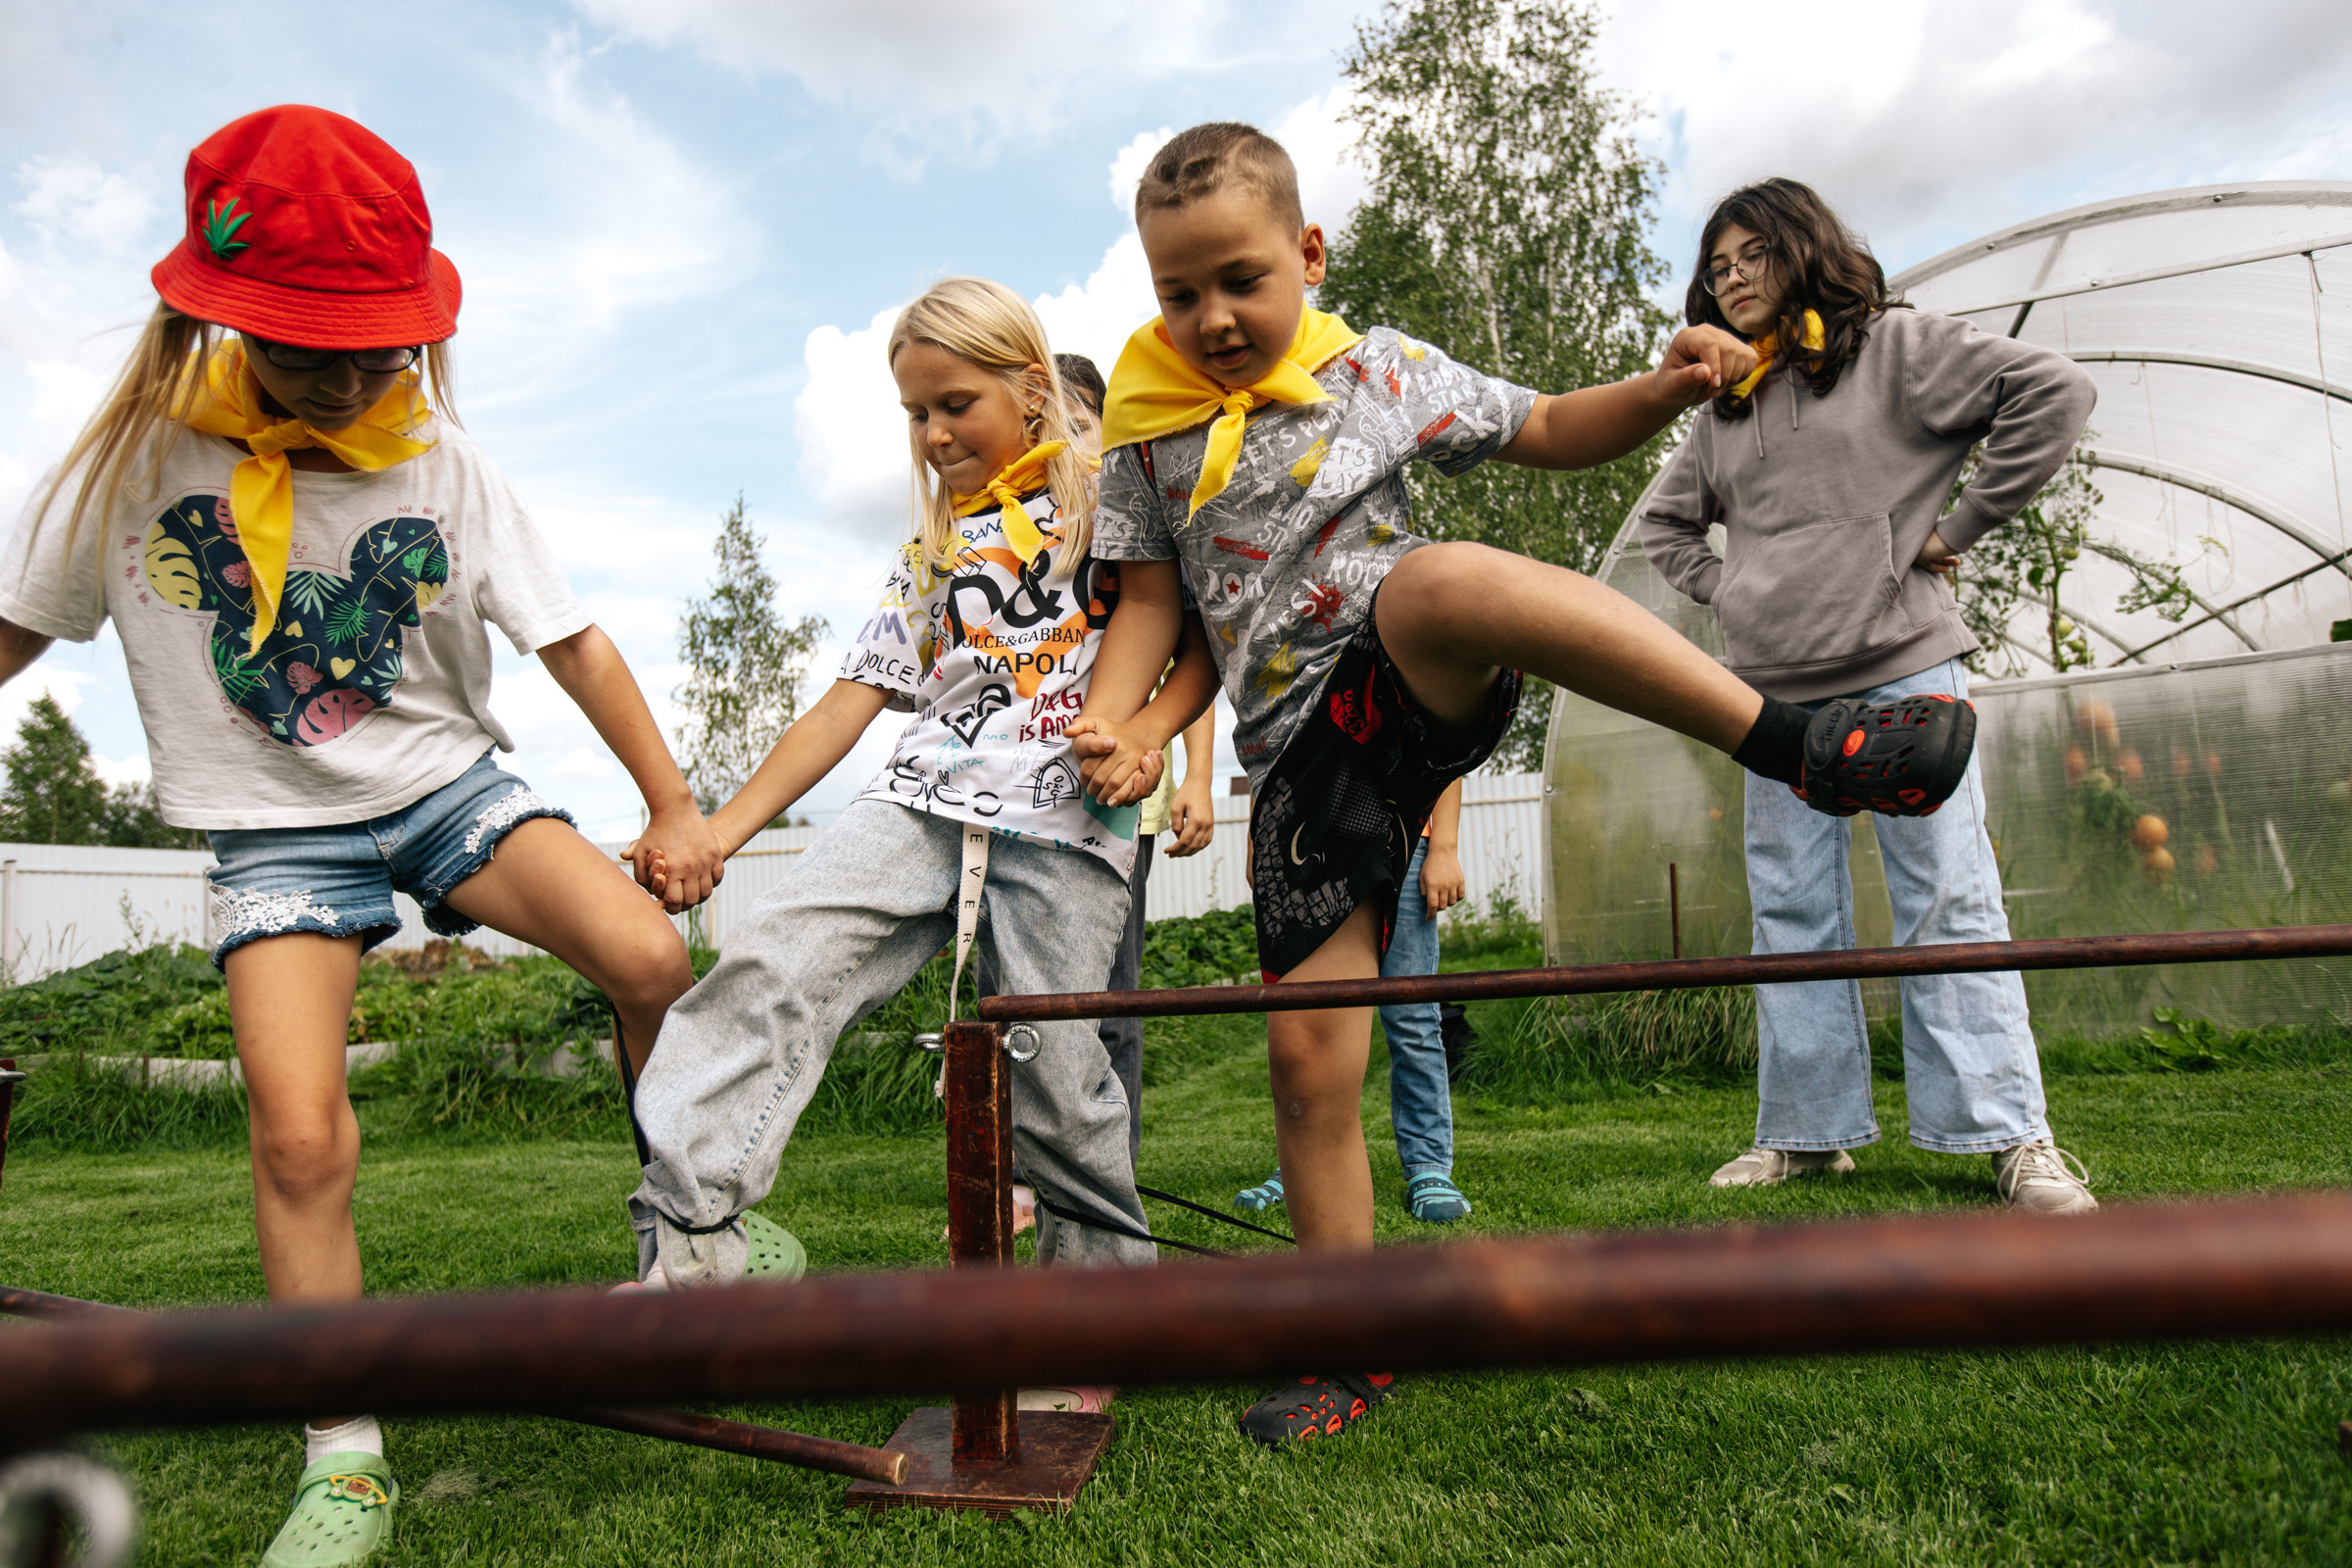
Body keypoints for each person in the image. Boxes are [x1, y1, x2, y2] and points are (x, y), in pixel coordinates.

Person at [1077, 122, 1978, 1448]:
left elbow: (1547, 428)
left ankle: (1795, 745)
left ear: (1308, 256)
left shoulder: (1376, 374)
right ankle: (1350, 1350)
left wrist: (1662, 391)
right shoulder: (1145, 434)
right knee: (1307, 1070)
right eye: (1178, 292)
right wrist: (1117, 724)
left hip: (1411, 677)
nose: (1211, 316)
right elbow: (1151, 607)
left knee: (1437, 576)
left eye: (1240, 280)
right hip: (1301, 771)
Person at [0, 106, 715, 1566]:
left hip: (446, 790)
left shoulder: (442, 459)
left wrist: (673, 802)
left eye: (369, 346)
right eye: (302, 345)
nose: (339, 374)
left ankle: (692, 1239)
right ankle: (342, 1454)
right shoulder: (132, 467)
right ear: (214, 319)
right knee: (302, 1133)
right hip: (273, 838)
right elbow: (10, 631)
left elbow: (573, 642)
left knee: (650, 954)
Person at [622, 280, 1216, 1417]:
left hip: (1065, 816)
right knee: (774, 961)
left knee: (1053, 1069)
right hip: (924, 797)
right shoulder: (935, 546)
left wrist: (1147, 737)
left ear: (1033, 390)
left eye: (955, 404)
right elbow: (853, 698)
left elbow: (1198, 644)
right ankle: (697, 1241)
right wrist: (726, 829)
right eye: (915, 415)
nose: (935, 435)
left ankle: (1095, 1315)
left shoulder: (1119, 497)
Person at [1639, 178, 2098, 1215]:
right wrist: (1741, 589)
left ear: (1803, 249)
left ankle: (2013, 1138)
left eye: (1752, 253)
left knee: (1947, 898)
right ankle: (1807, 1136)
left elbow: (2054, 390)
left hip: (1903, 664)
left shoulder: (1897, 348)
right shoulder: (1727, 398)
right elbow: (1668, 532)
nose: (1733, 276)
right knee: (1793, 911)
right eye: (1717, 266)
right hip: (1776, 704)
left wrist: (1960, 527)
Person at [1234, 778, 1471, 1223]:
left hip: (1400, 842)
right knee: (1311, 1024)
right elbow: (1271, 750)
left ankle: (1429, 1166)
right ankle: (1302, 1167)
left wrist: (1443, 848)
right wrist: (1257, 838)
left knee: (1412, 1013)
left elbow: (1444, 751)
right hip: (1304, 848)